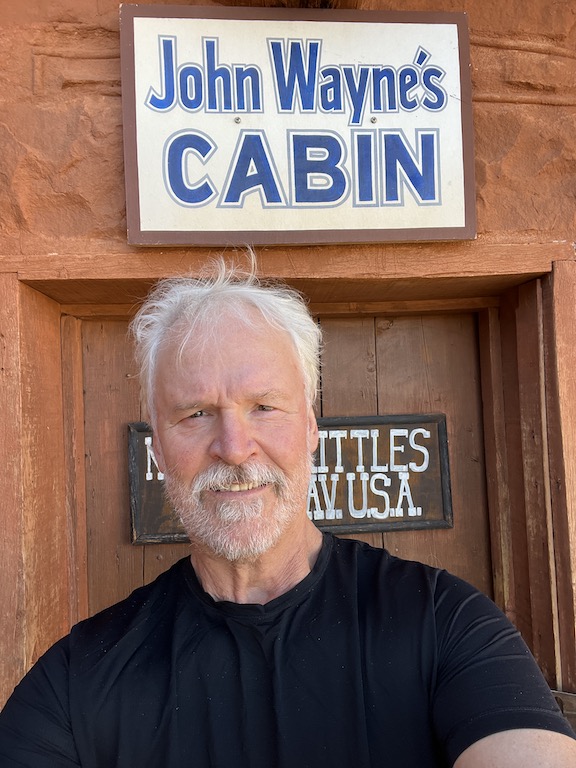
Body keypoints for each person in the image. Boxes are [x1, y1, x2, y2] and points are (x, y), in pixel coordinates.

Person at [1, 260, 575, 768]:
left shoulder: (445, 622)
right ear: (157, 448)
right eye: (196, 413)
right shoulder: (77, 680)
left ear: (311, 428)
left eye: (264, 407)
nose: (234, 447)